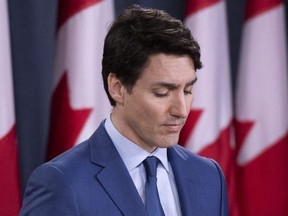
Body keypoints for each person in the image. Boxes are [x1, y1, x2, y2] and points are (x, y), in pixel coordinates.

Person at [20, 4, 228, 216]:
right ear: (117, 88)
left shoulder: (209, 177)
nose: (181, 111)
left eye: (188, 90)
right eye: (163, 92)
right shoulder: (62, 183)